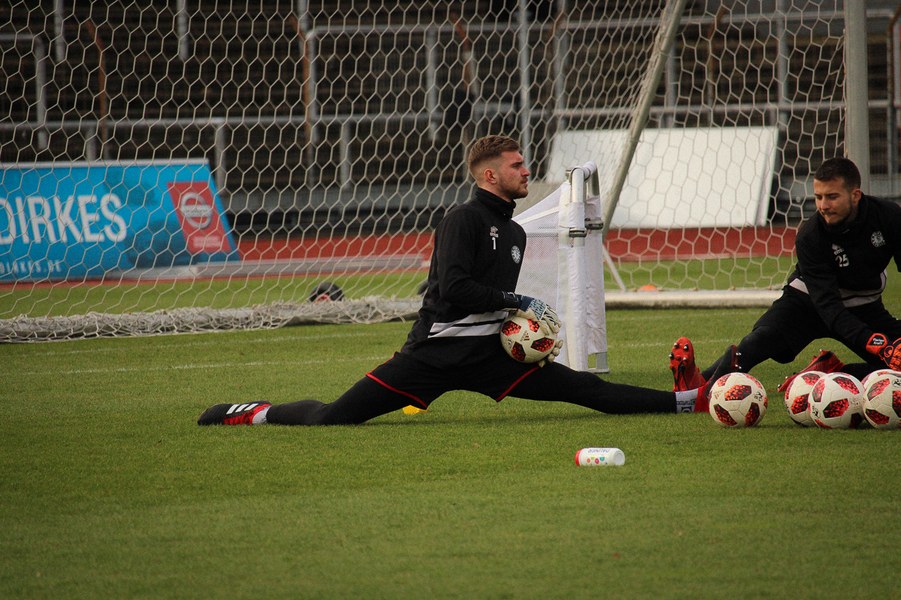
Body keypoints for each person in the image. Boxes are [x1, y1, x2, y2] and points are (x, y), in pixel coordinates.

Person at [198, 135, 724, 427]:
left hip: (492, 356)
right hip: (432, 354)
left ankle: (690, 401)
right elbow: (453, 291)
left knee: (587, 390)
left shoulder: (515, 232)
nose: (526, 171)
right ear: (490, 175)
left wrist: (527, 329)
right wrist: (520, 299)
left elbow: (495, 304)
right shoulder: (462, 220)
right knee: (333, 418)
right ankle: (249, 413)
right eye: (517, 166)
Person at [670, 157, 901, 393]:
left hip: (863, 306)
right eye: (818, 197)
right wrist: (874, 341)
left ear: (855, 195)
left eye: (832, 197)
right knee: (757, 342)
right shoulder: (810, 235)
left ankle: (831, 373)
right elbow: (829, 306)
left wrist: (885, 344)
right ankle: (698, 386)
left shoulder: (889, 217)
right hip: (807, 302)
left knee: (898, 362)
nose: (823, 205)